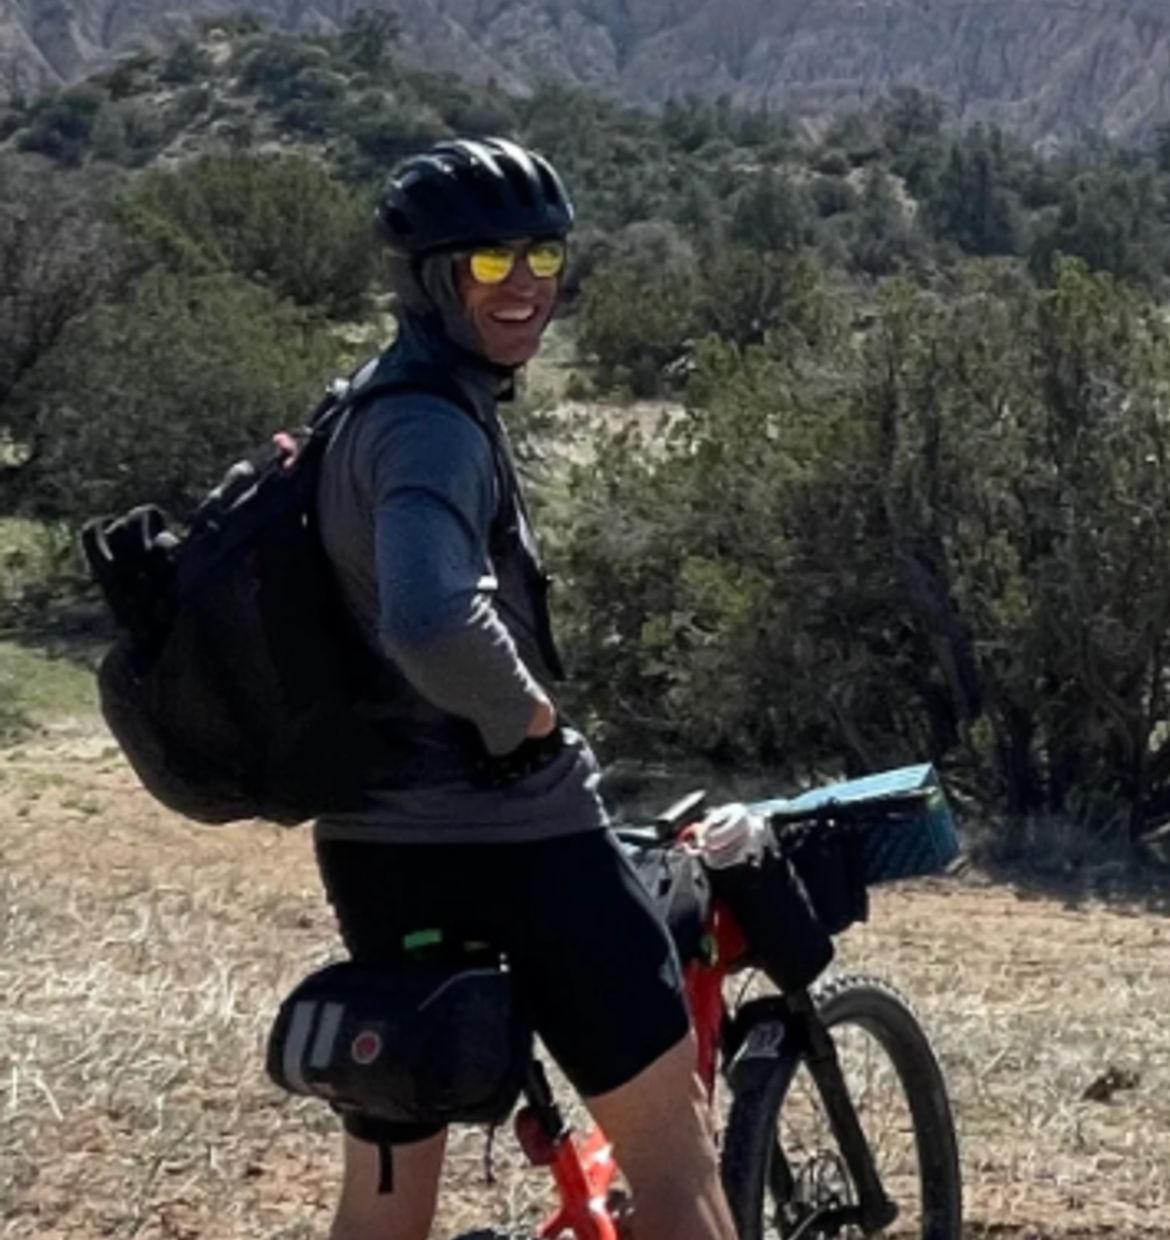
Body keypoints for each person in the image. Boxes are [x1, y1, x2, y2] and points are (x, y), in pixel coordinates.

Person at [306, 136, 734, 1240]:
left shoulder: (357, 408)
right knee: (682, 1174)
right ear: (429, 280)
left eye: (543, 257)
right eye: (491, 265)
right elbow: (432, 614)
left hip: (376, 849)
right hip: (521, 841)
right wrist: (529, 718)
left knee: (386, 1204)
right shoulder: (430, 427)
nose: (528, 285)